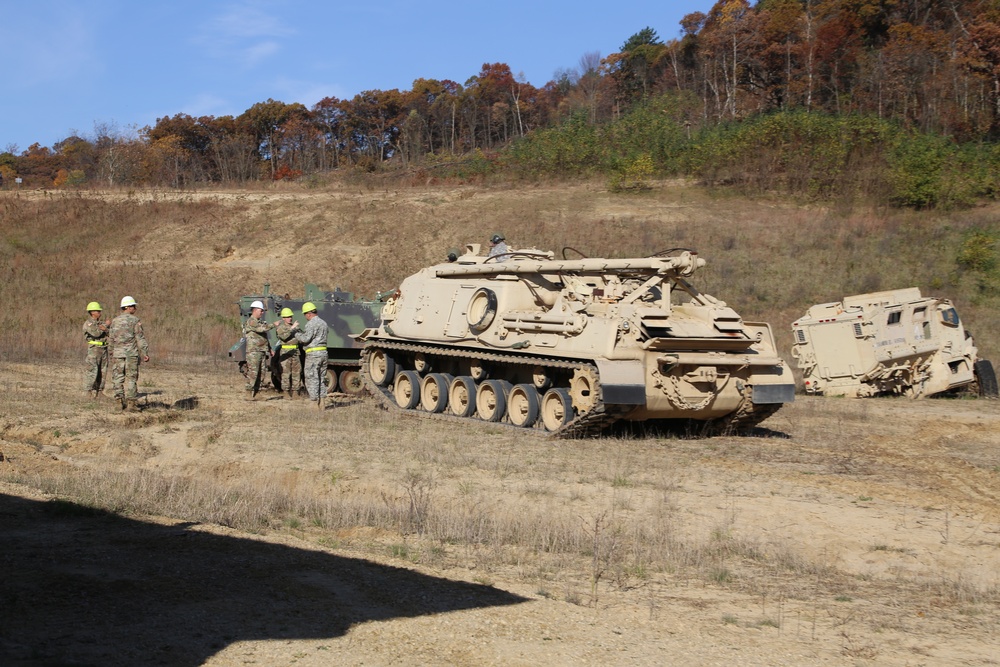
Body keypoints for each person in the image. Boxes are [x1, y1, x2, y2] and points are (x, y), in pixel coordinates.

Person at [109, 296, 150, 412]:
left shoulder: (115, 321)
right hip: (131, 354)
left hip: (117, 354)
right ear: (127, 307)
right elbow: (140, 338)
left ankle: (119, 403)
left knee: (117, 378)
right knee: (131, 378)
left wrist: (111, 352)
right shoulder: (135, 321)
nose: (135, 308)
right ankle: (131, 404)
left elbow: (111, 339)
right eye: (133, 306)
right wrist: (145, 352)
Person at [294, 301, 329, 409]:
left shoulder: (311, 324)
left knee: (311, 378)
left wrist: (295, 333)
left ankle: (314, 404)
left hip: (313, 354)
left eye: (305, 314)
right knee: (321, 378)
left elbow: (306, 339)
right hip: (324, 353)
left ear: (309, 313)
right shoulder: (324, 323)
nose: (305, 317)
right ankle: (322, 403)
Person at [243, 300, 278, 400]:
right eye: (261, 311)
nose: (262, 313)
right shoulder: (251, 321)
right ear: (255, 310)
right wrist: (273, 325)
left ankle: (257, 393)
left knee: (261, 373)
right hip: (253, 351)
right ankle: (249, 394)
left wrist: (270, 349)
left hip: (262, 351)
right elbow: (261, 329)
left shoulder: (260, 322)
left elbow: (265, 337)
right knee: (253, 373)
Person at [82, 301, 110, 399]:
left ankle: (100, 391)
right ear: (92, 312)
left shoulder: (100, 323)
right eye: (98, 311)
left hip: (103, 349)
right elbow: (96, 333)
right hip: (94, 350)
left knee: (103, 371)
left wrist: (105, 328)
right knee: (92, 370)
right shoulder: (89, 324)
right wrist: (105, 327)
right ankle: (88, 392)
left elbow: (110, 333)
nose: (99, 313)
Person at [274, 307, 301, 400]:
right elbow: (284, 337)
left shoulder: (294, 327)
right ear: (283, 318)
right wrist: (293, 328)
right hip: (285, 354)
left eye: (291, 316)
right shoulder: (280, 328)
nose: (290, 318)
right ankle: (285, 392)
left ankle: (295, 392)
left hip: (295, 353)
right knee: (286, 373)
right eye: (288, 317)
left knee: (296, 373)